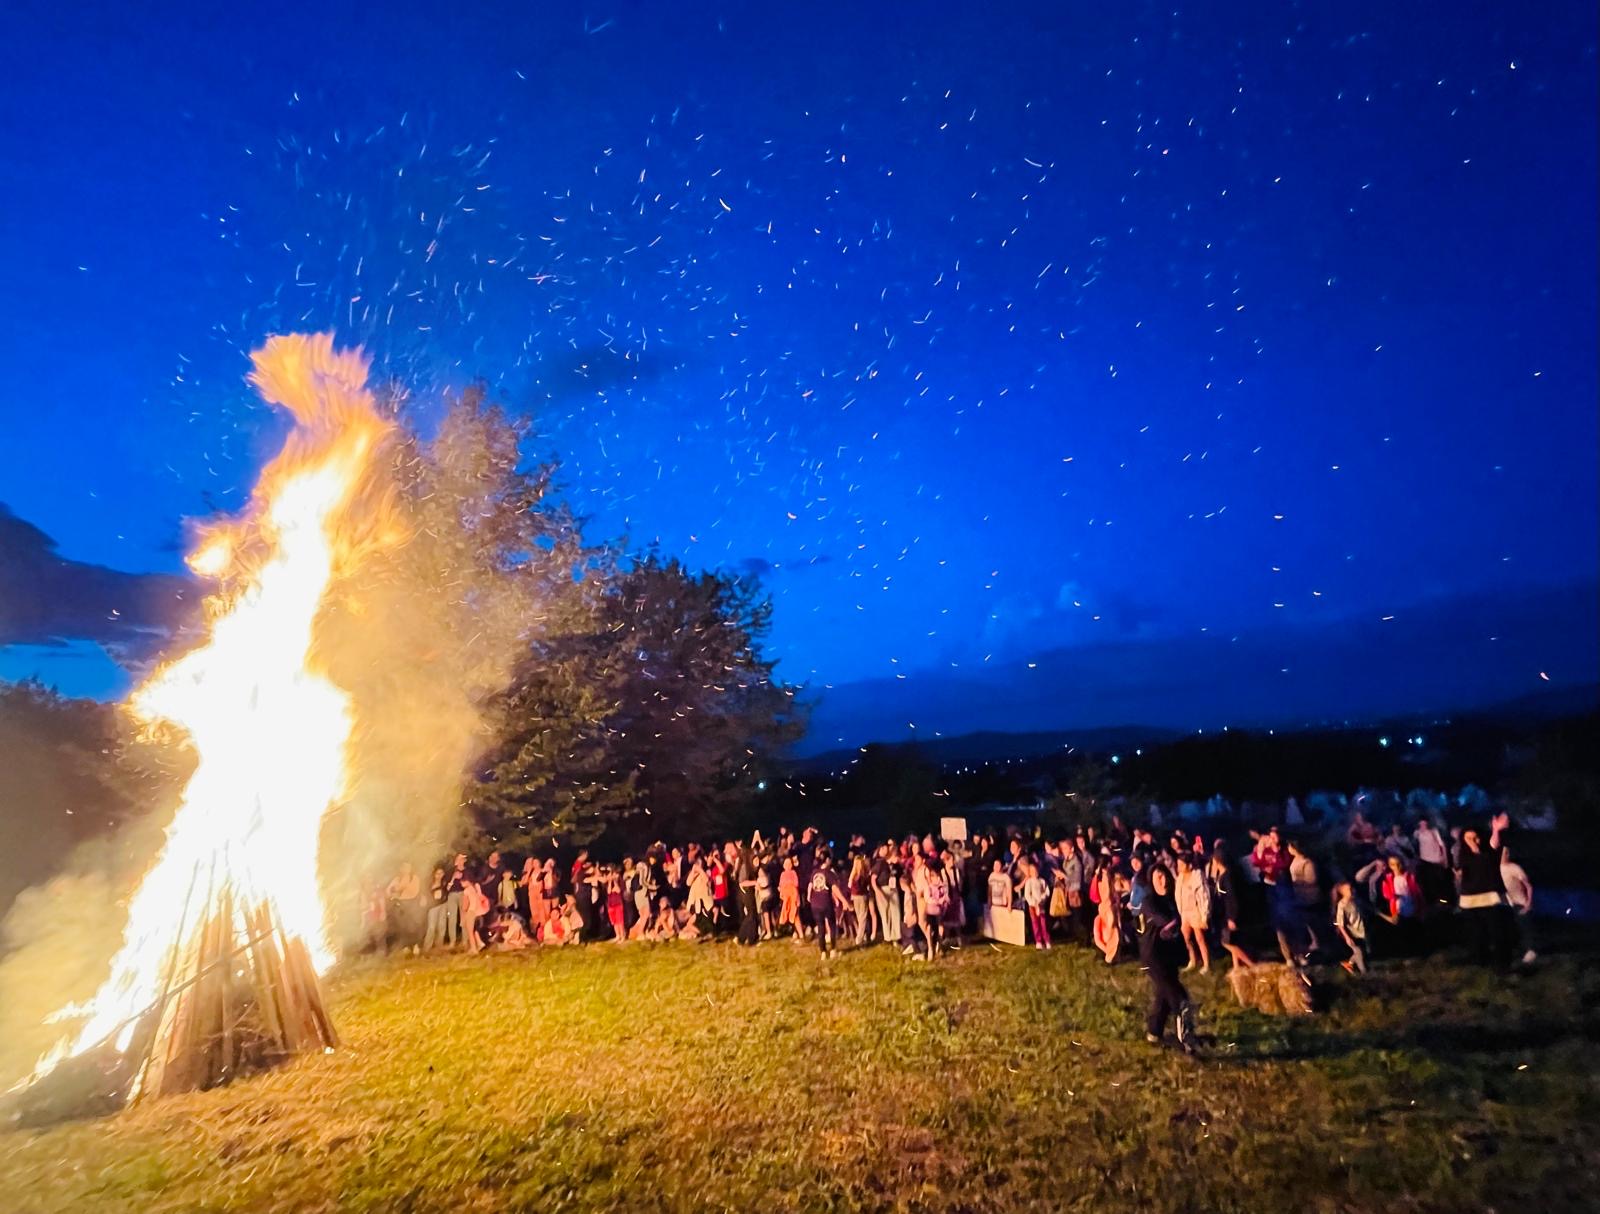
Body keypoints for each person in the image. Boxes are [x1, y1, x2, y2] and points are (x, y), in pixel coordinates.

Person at [1135, 866, 1196, 1054]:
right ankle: (1186, 1041)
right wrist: (1176, 922)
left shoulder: (1171, 900)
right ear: (1151, 881)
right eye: (1157, 877)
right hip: (1153, 956)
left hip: (1169, 954)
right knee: (1178, 997)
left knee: (1163, 995)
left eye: (1164, 876)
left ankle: (1154, 1032)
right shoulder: (1149, 901)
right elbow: (1162, 920)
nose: (1162, 880)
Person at [1456, 813, 1513, 969]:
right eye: (1468, 838)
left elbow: (1494, 845)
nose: (1473, 841)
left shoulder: (1487, 851)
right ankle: (1480, 961)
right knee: (1476, 933)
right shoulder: (1463, 854)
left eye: (1475, 837)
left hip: (1489, 897)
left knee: (1497, 931)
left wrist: (1496, 830)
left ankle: (1502, 963)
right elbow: (1462, 870)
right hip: (1470, 900)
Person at [1207, 849, 1251, 969]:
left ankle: (1252, 965)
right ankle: (1237, 966)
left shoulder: (1228, 877)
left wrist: (1232, 917)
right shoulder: (1221, 876)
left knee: (1227, 942)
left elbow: (1232, 898)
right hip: (1224, 914)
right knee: (1233, 941)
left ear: (1218, 861)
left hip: (1229, 914)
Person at [1174, 854, 1212, 973]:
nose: (1179, 866)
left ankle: (1206, 964)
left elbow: (1204, 895)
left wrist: (1204, 913)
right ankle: (1193, 959)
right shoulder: (1180, 877)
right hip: (1185, 912)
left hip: (1196, 910)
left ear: (1189, 865)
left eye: (1181, 864)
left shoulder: (1197, 876)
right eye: (1178, 864)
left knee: (1199, 938)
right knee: (1186, 937)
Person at [1500, 850, 1536, 965]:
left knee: (1524, 928)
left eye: (1506, 853)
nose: (1505, 855)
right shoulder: (1495, 869)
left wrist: (1528, 903)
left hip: (1520, 902)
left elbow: (1528, 885)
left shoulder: (1514, 868)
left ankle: (1530, 951)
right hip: (1506, 903)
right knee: (1511, 929)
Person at [807, 853, 844, 959]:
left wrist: (809, 897)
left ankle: (823, 952)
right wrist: (841, 900)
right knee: (832, 926)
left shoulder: (814, 873)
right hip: (826, 903)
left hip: (815, 905)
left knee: (820, 927)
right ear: (827, 860)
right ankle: (833, 950)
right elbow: (834, 888)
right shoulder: (828, 873)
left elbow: (810, 886)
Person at [1332, 881, 1370, 975]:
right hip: (1351, 934)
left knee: (1360, 952)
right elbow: (1340, 924)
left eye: (1352, 888)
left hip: (1360, 931)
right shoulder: (1342, 905)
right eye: (1349, 890)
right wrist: (1347, 937)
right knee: (1359, 953)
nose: (1352, 891)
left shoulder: (1355, 900)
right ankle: (1364, 973)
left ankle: (1349, 964)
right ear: (1343, 892)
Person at [1020, 860, 1051, 950]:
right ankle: (1038, 941)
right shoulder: (1029, 882)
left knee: (1043, 923)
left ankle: (1047, 940)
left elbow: (1046, 891)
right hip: (1033, 906)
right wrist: (1033, 903)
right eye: (1033, 871)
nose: (1035, 872)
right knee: (1035, 923)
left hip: (1041, 905)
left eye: (1036, 870)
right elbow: (1027, 895)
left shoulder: (1042, 881)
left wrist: (1042, 899)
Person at [421, 865, 451, 951]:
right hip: (433, 907)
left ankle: (439, 946)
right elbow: (426, 894)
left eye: (441, 873)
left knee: (442, 926)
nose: (439, 875)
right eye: (437, 874)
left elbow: (446, 893)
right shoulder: (430, 883)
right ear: (434, 874)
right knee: (431, 927)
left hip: (443, 905)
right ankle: (427, 947)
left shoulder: (444, 883)